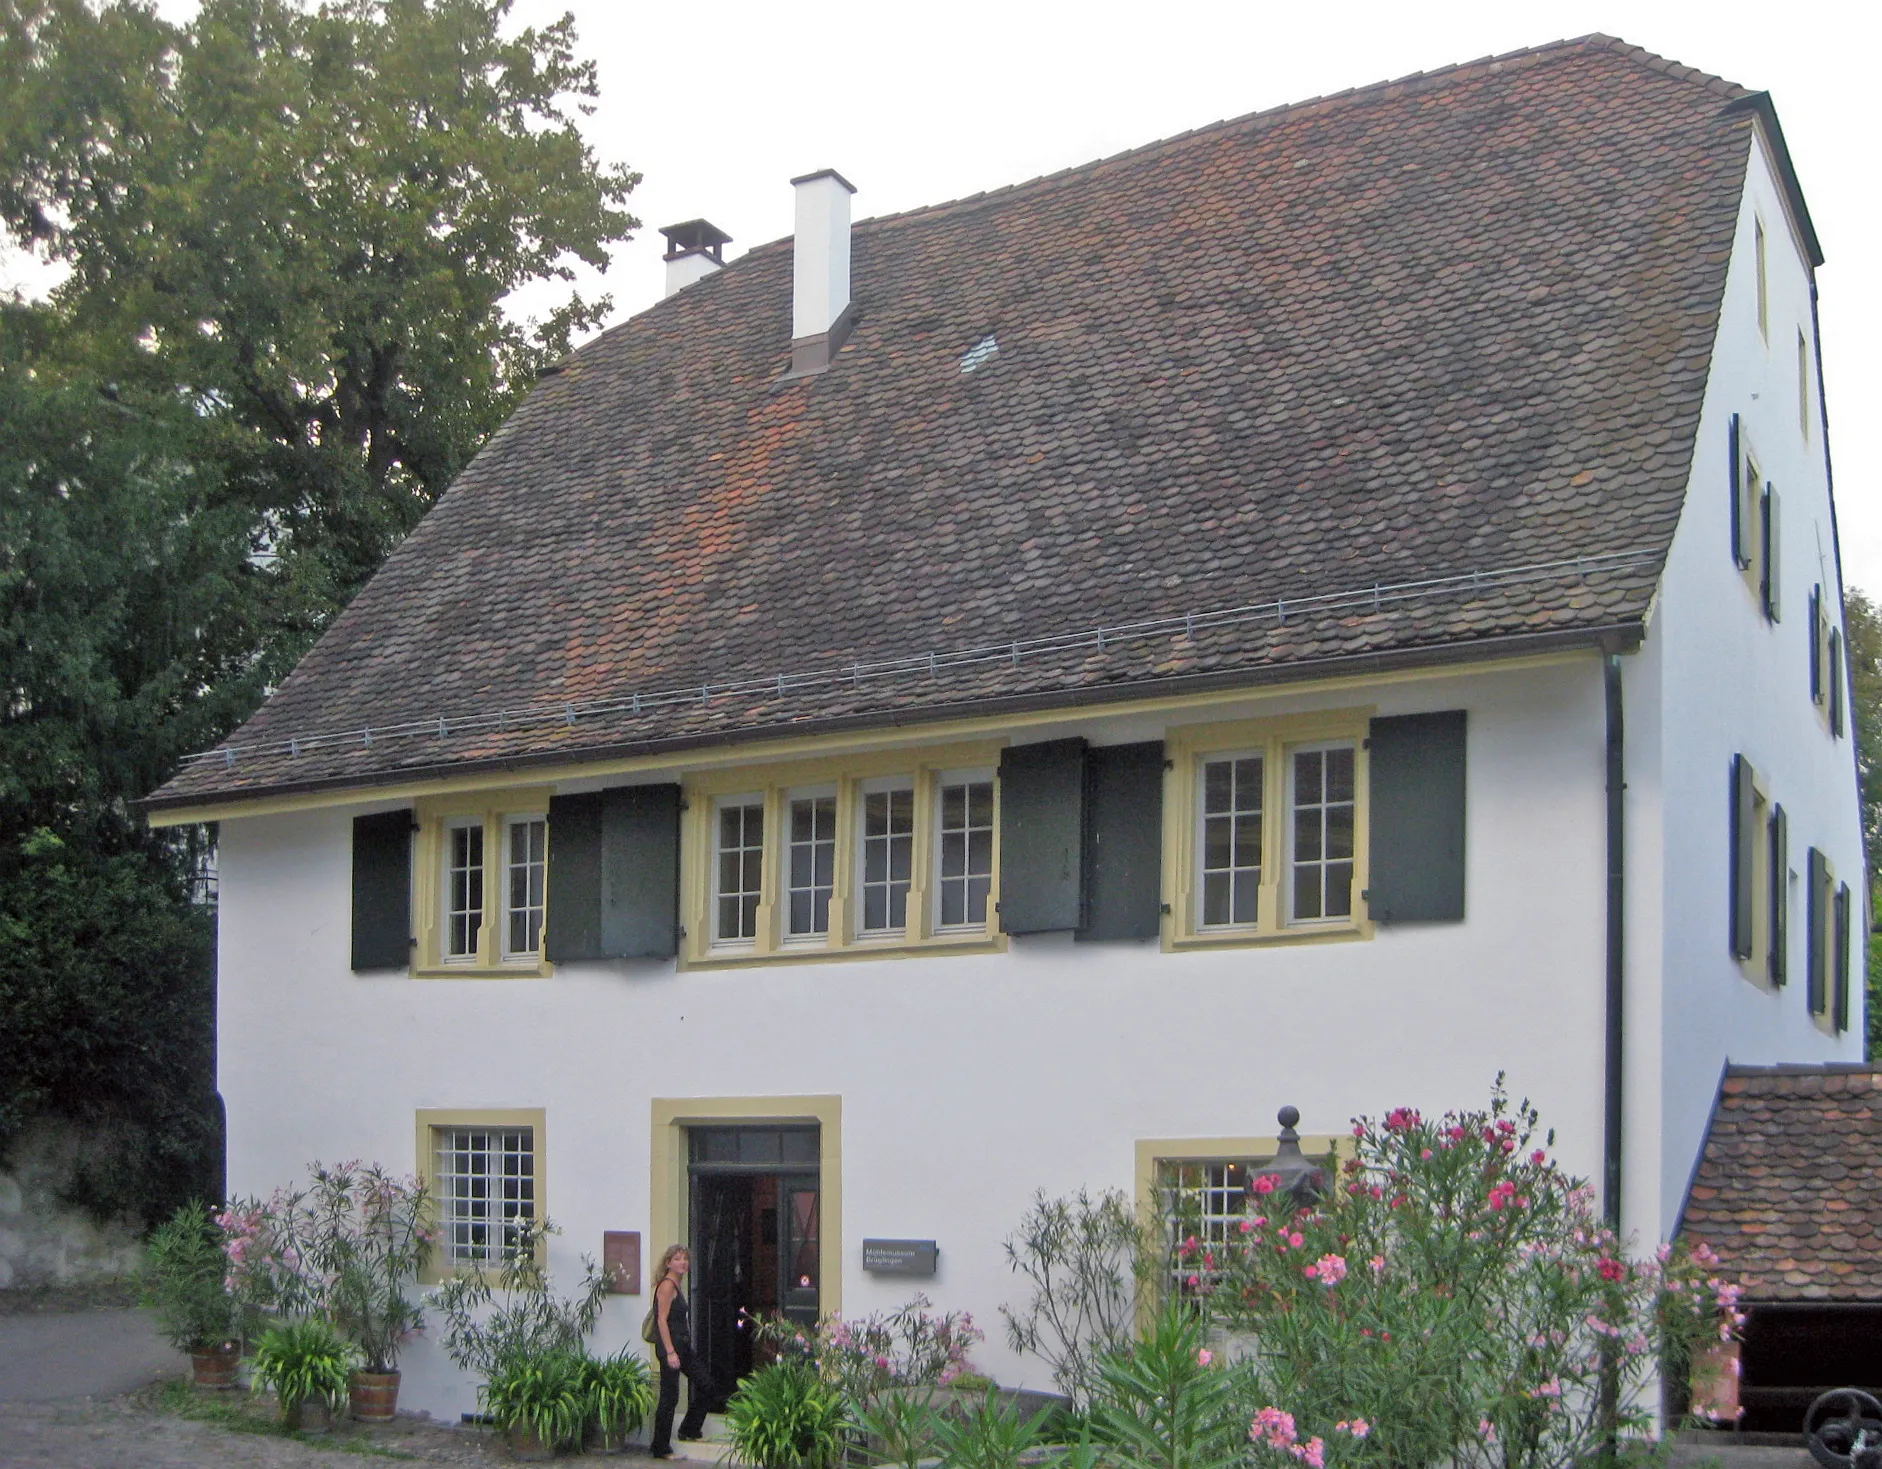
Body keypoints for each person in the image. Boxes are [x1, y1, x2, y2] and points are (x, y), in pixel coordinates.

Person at [648, 1243, 711, 1457]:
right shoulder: (666, 1286)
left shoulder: (677, 1284)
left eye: (685, 1258)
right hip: (671, 1347)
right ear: (668, 1263)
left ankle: (689, 1429)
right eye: (677, 1259)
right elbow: (662, 1321)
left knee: (706, 1384)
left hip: (681, 1346)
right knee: (669, 1396)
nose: (682, 1262)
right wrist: (670, 1352)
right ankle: (660, 1447)